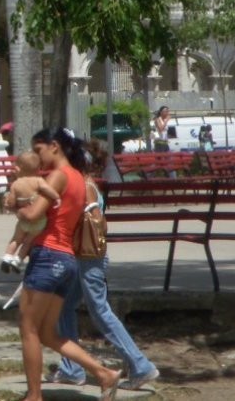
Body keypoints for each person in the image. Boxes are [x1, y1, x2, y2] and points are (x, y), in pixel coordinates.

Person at [14, 126, 123, 401]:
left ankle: (34, 396)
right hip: (66, 259)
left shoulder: (58, 176)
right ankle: (103, 373)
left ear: (54, 146)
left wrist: (12, 203)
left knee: (28, 328)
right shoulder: (77, 177)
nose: (37, 158)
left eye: (39, 151)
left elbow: (32, 215)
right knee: (49, 334)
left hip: (47, 257)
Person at [47, 140, 160, 391]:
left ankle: (140, 365)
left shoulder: (83, 187)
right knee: (64, 307)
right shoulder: (89, 185)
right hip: (86, 257)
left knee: (100, 311)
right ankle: (71, 368)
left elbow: (79, 222)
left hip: (87, 259)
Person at [0, 150, 60, 273]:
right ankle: (18, 260)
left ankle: (7, 257)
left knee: (16, 239)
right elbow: (45, 189)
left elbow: (11, 202)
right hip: (39, 220)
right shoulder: (38, 180)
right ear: (38, 168)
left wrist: (8, 206)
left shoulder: (16, 184)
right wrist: (56, 197)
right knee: (28, 242)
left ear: (18, 168)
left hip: (23, 220)